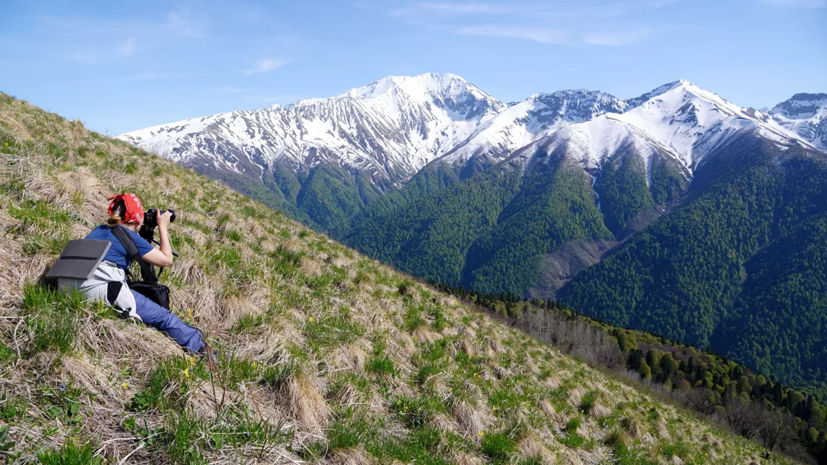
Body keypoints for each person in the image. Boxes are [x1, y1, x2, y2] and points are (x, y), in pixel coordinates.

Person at [58, 193, 208, 355]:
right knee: (165, 317)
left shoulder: (99, 229)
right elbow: (166, 260)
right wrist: (162, 226)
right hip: (98, 290)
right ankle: (201, 349)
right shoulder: (128, 235)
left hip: (66, 287)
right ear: (136, 218)